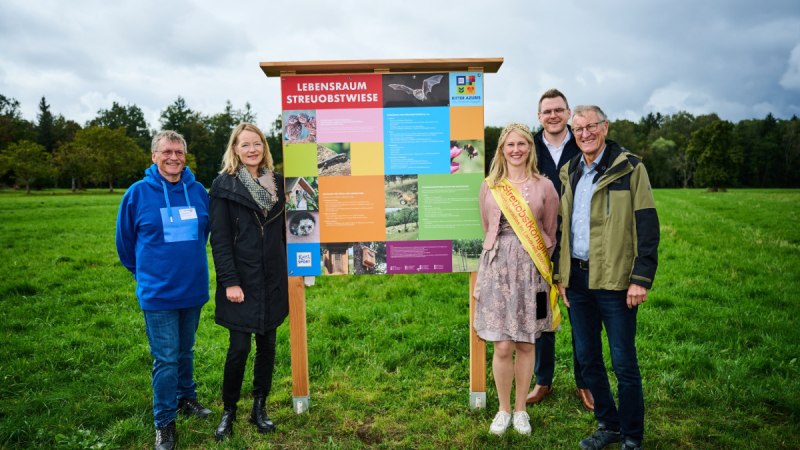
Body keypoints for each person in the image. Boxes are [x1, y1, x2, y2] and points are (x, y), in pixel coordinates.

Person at [553, 105, 659, 450]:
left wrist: (640, 278)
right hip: (579, 282)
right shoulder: (571, 170)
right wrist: (561, 276)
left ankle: (631, 435)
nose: (584, 134)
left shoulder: (630, 168)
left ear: (605, 127)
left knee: (623, 362)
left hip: (616, 283)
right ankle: (607, 425)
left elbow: (646, 223)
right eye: (578, 128)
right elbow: (563, 228)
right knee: (587, 359)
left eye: (591, 127)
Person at [116, 130, 212, 450]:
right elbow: (125, 244)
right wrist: (146, 274)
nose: (174, 157)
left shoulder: (198, 191)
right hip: (158, 293)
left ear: (185, 156)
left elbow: (206, 234)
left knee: (185, 351)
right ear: (154, 156)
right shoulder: (137, 194)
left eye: (179, 152)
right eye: (167, 152)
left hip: (193, 288)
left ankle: (187, 398)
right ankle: (164, 422)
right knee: (166, 358)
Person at [474, 123, 560, 436]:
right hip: (498, 272)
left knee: (526, 342)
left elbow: (550, 232)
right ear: (502, 149)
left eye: (522, 144)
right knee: (502, 344)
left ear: (529, 148)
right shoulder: (490, 186)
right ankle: (503, 409)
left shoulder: (545, 186)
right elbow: (487, 226)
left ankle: (521, 409)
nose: (516, 150)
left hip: (532, 274)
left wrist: (532, 260)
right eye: (510, 145)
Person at [209, 123, 288, 440]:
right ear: (235, 149)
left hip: (272, 279)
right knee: (238, 349)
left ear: (264, 147)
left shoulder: (279, 184)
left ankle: (259, 407)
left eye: (257, 144)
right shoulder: (223, 186)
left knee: (267, 346)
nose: (252, 149)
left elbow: (288, 232)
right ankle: (229, 411)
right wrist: (230, 282)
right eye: (245, 145)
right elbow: (221, 240)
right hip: (240, 281)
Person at [526, 89, 593, 412]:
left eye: (558, 110)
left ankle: (586, 382)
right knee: (542, 312)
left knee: (580, 314)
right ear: (539, 117)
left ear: (567, 113)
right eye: (546, 111)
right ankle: (543, 380)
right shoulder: (528, 147)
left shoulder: (582, 143)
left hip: (577, 241)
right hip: (539, 242)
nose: (552, 115)